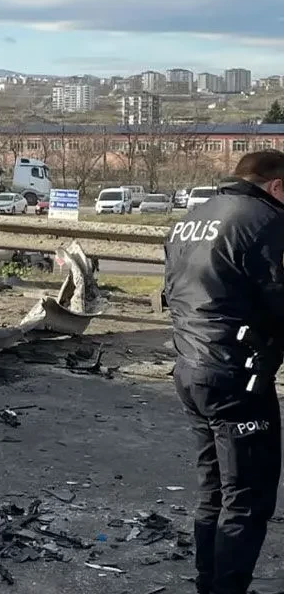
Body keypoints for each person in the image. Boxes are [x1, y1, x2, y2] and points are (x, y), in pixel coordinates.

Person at [165, 150, 284, 594]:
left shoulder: (192, 217)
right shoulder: (268, 222)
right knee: (248, 496)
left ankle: (208, 583)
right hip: (239, 375)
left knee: (215, 488)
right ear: (276, 186)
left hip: (191, 367)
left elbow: (176, 291)